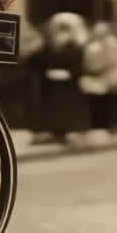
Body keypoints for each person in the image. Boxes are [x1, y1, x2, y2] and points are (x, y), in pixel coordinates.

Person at [36, 13, 91, 146]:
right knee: (54, 109)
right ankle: (56, 131)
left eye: (64, 29)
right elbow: (41, 60)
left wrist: (68, 73)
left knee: (67, 109)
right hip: (52, 84)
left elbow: (78, 65)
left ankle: (67, 131)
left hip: (69, 84)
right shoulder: (50, 45)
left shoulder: (74, 46)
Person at [80, 22, 117, 143]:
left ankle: (106, 128)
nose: (99, 34)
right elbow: (86, 62)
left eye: (102, 32)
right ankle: (97, 128)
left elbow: (114, 61)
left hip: (107, 78)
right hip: (94, 79)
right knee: (95, 104)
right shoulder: (91, 46)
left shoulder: (111, 44)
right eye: (98, 32)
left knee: (106, 104)